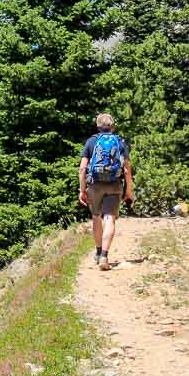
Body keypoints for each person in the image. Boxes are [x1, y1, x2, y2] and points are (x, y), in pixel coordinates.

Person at [79, 113, 134, 271]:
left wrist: (82, 190)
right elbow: (127, 170)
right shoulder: (120, 142)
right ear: (112, 126)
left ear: (98, 126)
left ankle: (97, 253)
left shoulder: (91, 141)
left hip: (94, 185)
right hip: (114, 185)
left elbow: (82, 169)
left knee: (96, 216)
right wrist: (128, 191)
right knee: (110, 218)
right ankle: (104, 255)